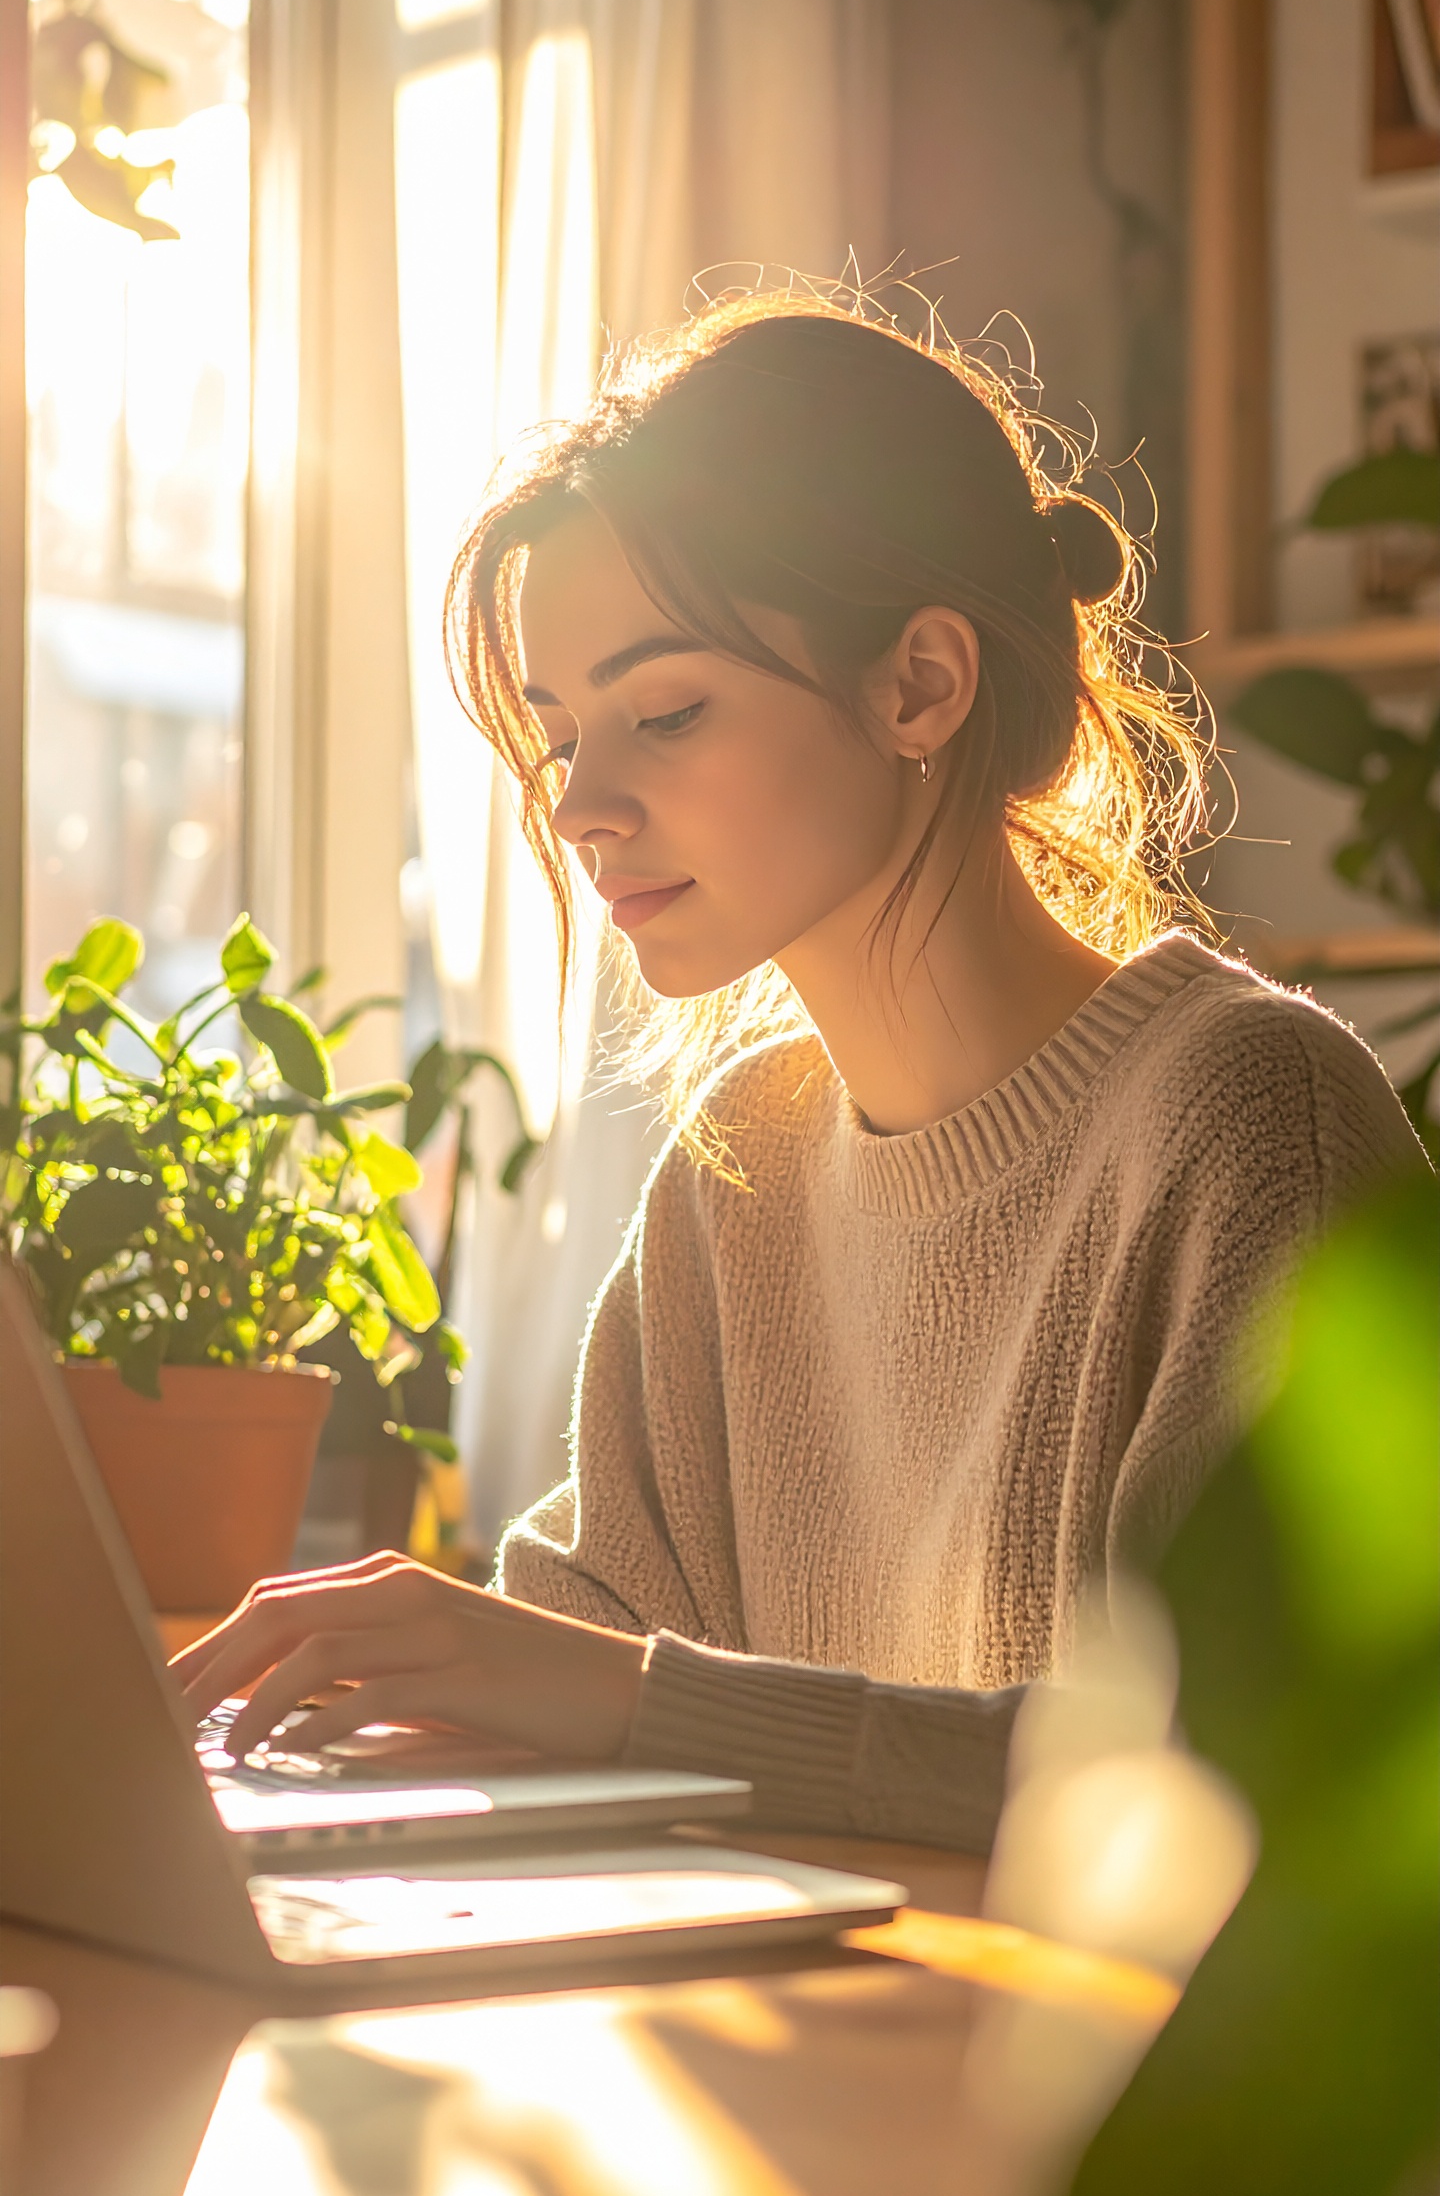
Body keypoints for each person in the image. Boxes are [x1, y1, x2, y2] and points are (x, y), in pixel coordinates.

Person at [177, 292, 1420, 1852]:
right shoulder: (737, 1163)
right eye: (563, 738)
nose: (582, 808)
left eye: (667, 711)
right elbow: (578, 1646)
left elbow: (1235, 1793)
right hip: (793, 2060)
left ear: (919, 686)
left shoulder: (1251, 1124)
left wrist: (630, 1701)